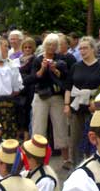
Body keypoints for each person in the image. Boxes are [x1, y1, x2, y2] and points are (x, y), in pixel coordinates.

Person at [64, 36, 100, 166]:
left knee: (92, 140)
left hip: (93, 109)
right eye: (80, 48)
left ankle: (93, 166)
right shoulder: (76, 66)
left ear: (93, 49)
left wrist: (96, 102)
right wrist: (66, 105)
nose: (82, 51)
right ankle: (76, 167)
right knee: (75, 140)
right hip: (76, 108)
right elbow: (68, 87)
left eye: (85, 48)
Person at [30, 33, 70, 168]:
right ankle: (36, 158)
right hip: (41, 95)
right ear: (45, 45)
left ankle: (66, 159)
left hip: (56, 96)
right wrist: (43, 67)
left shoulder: (61, 60)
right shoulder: (37, 59)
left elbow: (65, 77)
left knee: (61, 126)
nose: (51, 47)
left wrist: (54, 69)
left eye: (54, 45)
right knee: (38, 127)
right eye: (49, 44)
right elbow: (34, 78)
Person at [18, 37, 37, 139]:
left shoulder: (34, 59)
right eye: (25, 47)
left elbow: (33, 76)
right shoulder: (18, 59)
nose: (27, 49)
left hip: (29, 91)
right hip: (18, 91)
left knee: (26, 114)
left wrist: (21, 79)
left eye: (29, 47)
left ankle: (26, 138)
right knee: (18, 113)